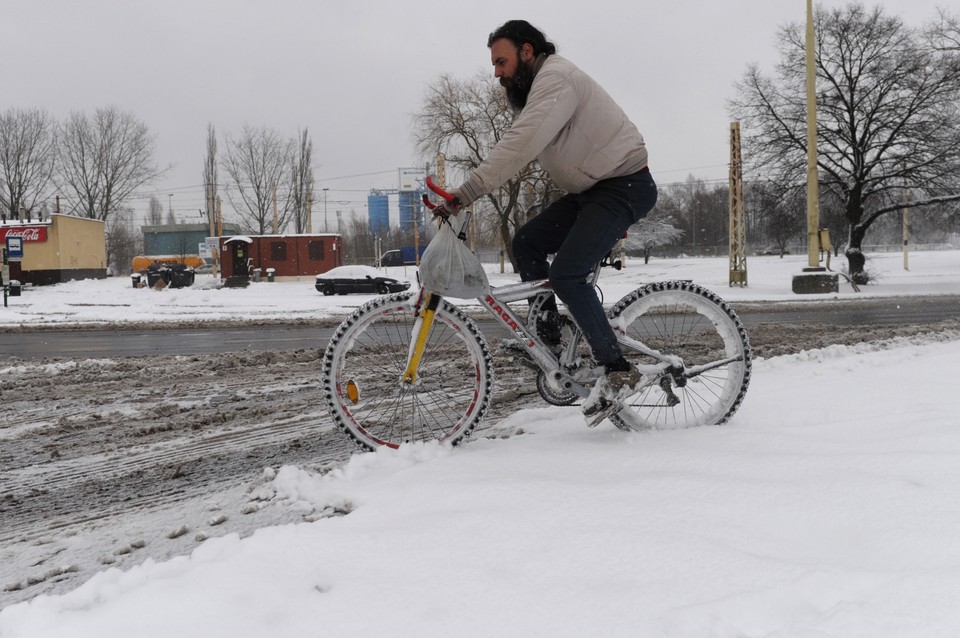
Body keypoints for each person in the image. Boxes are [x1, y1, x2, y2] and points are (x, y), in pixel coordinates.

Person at [439, 20, 658, 420]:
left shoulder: (556, 78)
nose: (497, 73)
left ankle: (618, 370)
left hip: (623, 186)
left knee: (568, 276)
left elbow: (522, 141)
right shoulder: (541, 85)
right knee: (526, 243)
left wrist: (468, 192)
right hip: (592, 191)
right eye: (494, 64)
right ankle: (549, 341)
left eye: (501, 61)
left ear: (527, 51)